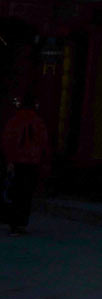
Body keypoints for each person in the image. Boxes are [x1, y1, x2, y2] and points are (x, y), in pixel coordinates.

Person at [3, 94, 50, 235]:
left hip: (16, 161)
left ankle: (13, 222)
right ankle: (21, 223)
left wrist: (9, 160)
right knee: (26, 194)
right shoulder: (38, 122)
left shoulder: (14, 121)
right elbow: (44, 143)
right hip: (32, 162)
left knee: (15, 192)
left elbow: (7, 141)